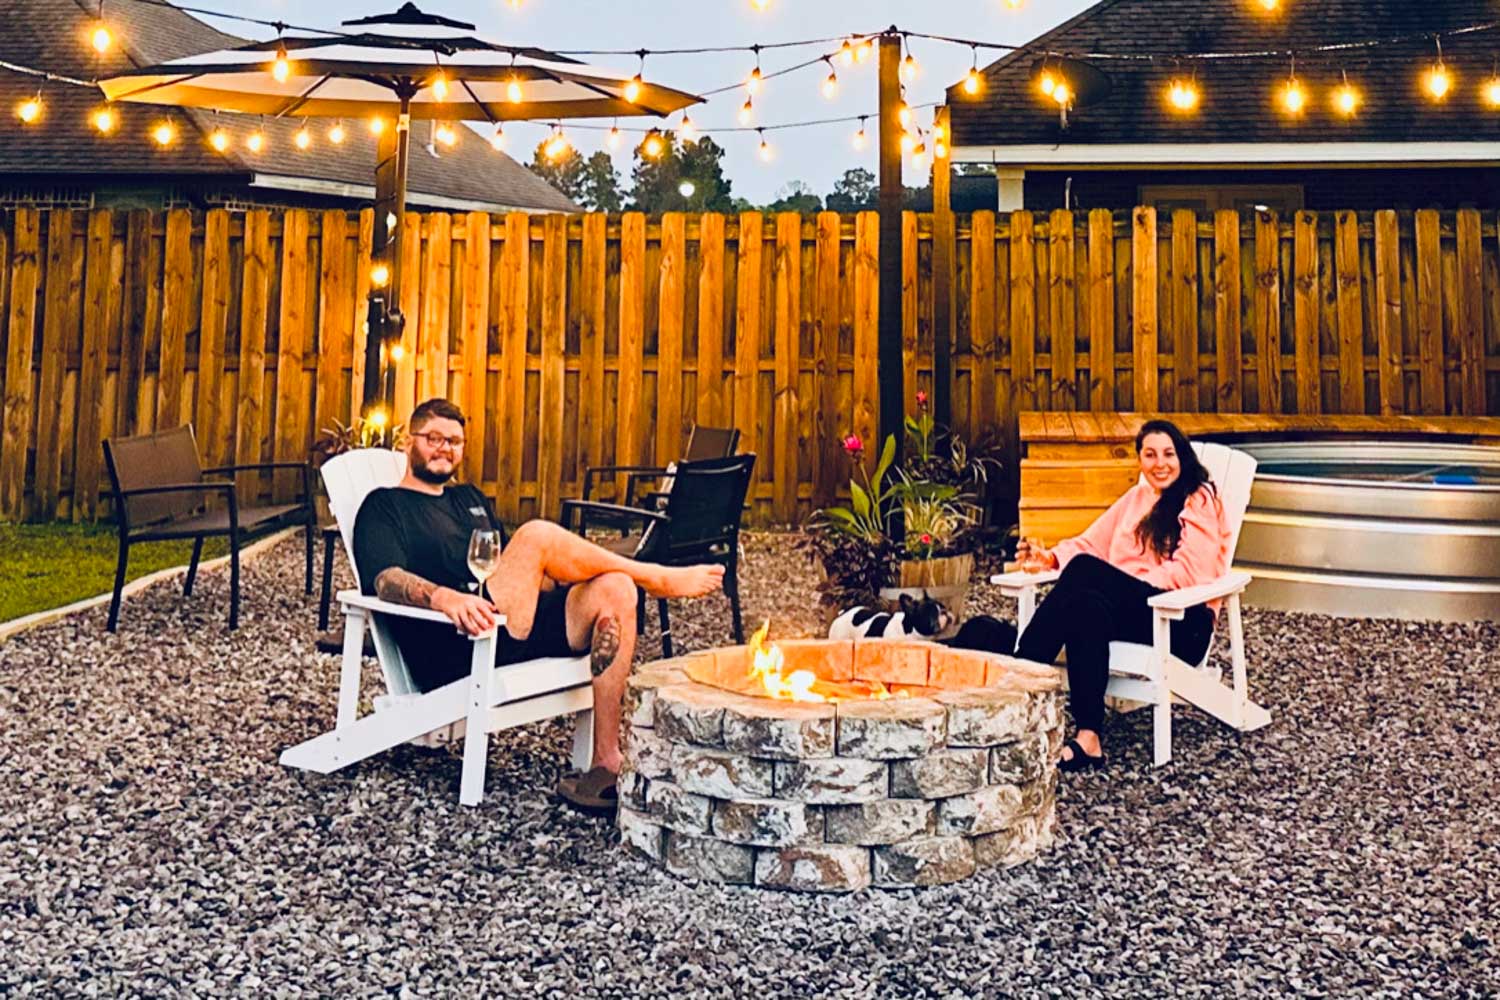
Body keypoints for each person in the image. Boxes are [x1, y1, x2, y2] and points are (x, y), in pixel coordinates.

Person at [352, 398, 724, 813]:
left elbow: (518, 567)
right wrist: (443, 596)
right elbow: (386, 579)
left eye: (454, 441)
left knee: (616, 589)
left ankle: (605, 760)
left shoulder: (468, 499)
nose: (445, 449)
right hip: (456, 641)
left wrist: (568, 571)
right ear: (409, 442)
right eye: (434, 438)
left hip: (507, 624)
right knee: (538, 536)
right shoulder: (383, 505)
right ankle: (654, 576)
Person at [1012, 419, 1230, 772]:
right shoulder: (1137, 498)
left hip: (1181, 622)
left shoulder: (1198, 498)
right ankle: (1089, 737)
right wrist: (1049, 558)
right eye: (1150, 455)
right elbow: (1090, 544)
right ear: (1139, 460)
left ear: (1183, 456)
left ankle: (1020, 678)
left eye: (1168, 454)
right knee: (1085, 606)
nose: (1160, 463)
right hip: (1137, 613)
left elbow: (1193, 572)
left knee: (1086, 572)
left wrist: (1124, 581)